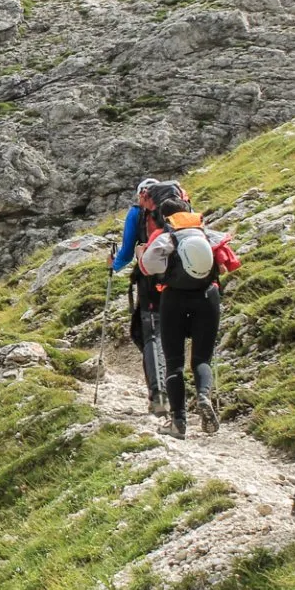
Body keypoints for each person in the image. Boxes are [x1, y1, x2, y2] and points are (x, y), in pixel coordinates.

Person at [139, 197, 240, 438]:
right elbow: (229, 265)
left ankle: (179, 421)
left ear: (165, 218)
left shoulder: (165, 238)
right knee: (202, 357)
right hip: (208, 297)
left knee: (174, 362)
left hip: (174, 298)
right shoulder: (209, 235)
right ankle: (204, 395)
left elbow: (148, 267)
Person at [113, 178, 168, 415]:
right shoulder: (178, 208)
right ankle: (181, 393)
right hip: (180, 277)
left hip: (150, 279)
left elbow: (126, 251)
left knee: (149, 334)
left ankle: (159, 395)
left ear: (142, 195)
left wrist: (113, 265)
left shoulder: (137, 213)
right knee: (169, 335)